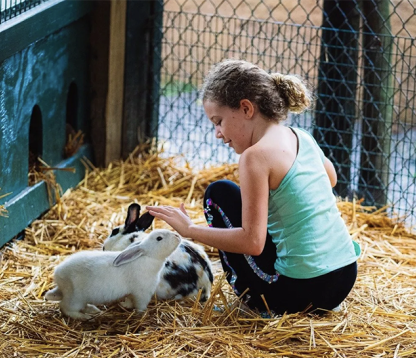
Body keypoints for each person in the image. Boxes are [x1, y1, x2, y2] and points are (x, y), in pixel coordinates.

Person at [146, 59, 359, 315]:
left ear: (246, 108)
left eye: (219, 121)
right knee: (234, 195)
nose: (217, 133)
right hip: (344, 277)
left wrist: (190, 229)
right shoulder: (300, 136)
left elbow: (252, 242)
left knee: (218, 195)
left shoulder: (254, 157)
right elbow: (331, 179)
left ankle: (256, 305)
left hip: (299, 291)